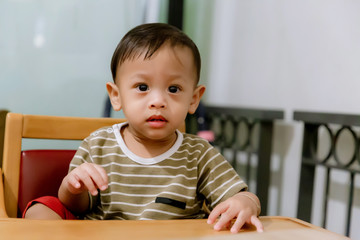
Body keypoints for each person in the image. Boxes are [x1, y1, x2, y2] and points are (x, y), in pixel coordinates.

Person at [24, 23, 263, 233]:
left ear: (193, 99)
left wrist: (246, 202)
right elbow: (75, 206)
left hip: (173, 236)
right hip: (103, 234)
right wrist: (72, 187)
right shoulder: (98, 144)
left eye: (173, 89)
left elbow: (240, 194)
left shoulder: (199, 153)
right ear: (116, 96)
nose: (158, 101)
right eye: (142, 87)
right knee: (41, 207)